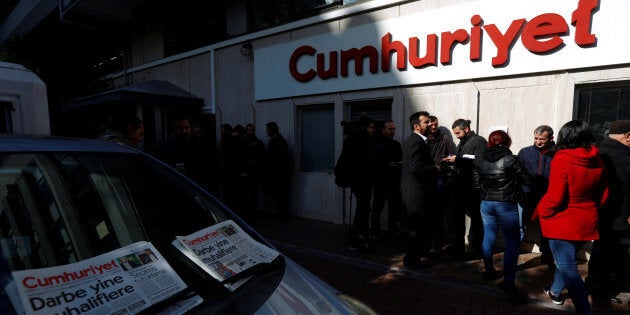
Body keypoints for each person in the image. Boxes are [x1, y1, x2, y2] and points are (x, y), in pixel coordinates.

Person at [535, 120, 608, 314]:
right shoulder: (598, 159)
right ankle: (556, 292)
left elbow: (555, 196)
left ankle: (584, 310)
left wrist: (544, 213)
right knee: (565, 261)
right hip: (586, 221)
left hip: (562, 222)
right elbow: (604, 195)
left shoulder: (562, 158)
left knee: (569, 269)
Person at [472, 130, 531, 302]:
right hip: (506, 204)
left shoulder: (480, 160)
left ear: (490, 142)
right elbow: (527, 180)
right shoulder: (511, 159)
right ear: (507, 142)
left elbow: (476, 184)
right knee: (512, 242)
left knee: (489, 236)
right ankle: (508, 281)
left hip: (486, 203)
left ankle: (489, 270)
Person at [585, 119, 630, 306]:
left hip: (605, 213)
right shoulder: (618, 156)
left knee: (602, 251)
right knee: (605, 253)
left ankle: (597, 287)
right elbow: (622, 189)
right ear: (628, 136)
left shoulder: (599, 152)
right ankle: (598, 292)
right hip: (617, 214)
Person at [400, 111, 440, 268]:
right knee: (415, 228)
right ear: (416, 126)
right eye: (426, 122)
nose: (429, 124)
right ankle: (411, 260)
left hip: (418, 192)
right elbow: (416, 168)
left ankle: (416, 254)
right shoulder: (415, 141)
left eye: (430, 121)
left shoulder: (419, 141)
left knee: (419, 226)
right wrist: (435, 168)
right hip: (415, 193)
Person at [442, 118, 487, 257]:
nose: (457, 136)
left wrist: (458, 160)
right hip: (459, 185)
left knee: (476, 218)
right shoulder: (462, 142)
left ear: (466, 129)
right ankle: (458, 244)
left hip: (473, 186)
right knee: (457, 216)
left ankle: (476, 247)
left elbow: (479, 161)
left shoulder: (479, 141)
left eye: (458, 133)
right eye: (455, 134)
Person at [517, 125, 555, 264]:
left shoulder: (557, 154)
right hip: (527, 196)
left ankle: (546, 255)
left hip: (547, 197)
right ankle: (513, 252)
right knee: (519, 225)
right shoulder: (525, 152)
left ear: (551, 138)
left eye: (542, 139)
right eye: (536, 138)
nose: (538, 141)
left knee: (547, 229)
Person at [340, 117, 376, 252]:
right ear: (363, 128)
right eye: (371, 127)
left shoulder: (357, 139)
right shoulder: (359, 140)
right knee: (363, 209)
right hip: (361, 180)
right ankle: (358, 238)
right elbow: (359, 162)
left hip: (361, 180)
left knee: (362, 209)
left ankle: (357, 235)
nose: (373, 130)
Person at [159, 112, 213, 189]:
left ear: (191, 128)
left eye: (186, 127)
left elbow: (209, 172)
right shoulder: (167, 148)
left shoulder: (202, 145)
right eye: (179, 128)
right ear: (174, 129)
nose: (184, 131)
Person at [427, 115, 456, 251]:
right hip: (425, 178)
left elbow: (453, 156)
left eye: (435, 124)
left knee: (438, 210)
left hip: (440, 178)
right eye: (431, 125)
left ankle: (437, 239)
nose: (433, 127)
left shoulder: (444, 139)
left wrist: (445, 162)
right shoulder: (423, 140)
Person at [370, 120, 403, 240]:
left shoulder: (396, 144)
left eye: (394, 129)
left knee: (394, 208)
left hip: (393, 181)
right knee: (377, 208)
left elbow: (400, 160)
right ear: (383, 130)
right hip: (380, 182)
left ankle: (393, 230)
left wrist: (399, 165)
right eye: (390, 129)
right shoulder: (375, 143)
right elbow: (372, 163)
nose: (393, 131)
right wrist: (386, 165)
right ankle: (375, 233)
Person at [265, 121, 290, 221]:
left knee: (279, 194)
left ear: (272, 129)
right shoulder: (273, 140)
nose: (266, 131)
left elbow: (279, 159)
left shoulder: (279, 141)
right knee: (277, 194)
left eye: (267, 129)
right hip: (274, 173)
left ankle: (282, 215)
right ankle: (280, 214)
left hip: (278, 173)